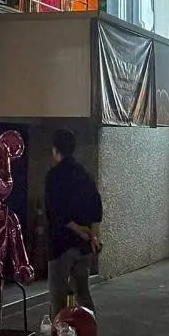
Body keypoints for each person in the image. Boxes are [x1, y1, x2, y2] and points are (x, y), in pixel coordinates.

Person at [44, 129, 102, 316]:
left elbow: (56, 211)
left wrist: (76, 228)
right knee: (83, 293)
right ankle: (89, 328)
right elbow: (96, 206)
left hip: (60, 245)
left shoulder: (53, 176)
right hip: (83, 246)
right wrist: (91, 234)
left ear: (55, 150)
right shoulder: (85, 174)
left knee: (58, 298)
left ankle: (59, 332)